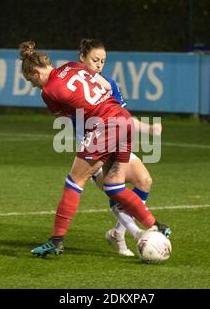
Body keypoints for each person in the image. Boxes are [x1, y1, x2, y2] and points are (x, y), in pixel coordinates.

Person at [19, 41, 171, 257]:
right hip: (124, 121)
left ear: (35, 71)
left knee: (74, 181)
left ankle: (56, 241)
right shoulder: (72, 66)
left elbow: (65, 118)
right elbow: (106, 86)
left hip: (104, 127)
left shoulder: (48, 91)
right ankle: (157, 225)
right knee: (113, 186)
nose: (33, 84)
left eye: (30, 79)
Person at [76, 38, 165, 257]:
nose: (99, 65)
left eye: (103, 61)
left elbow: (124, 117)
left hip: (116, 142)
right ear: (82, 58)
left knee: (145, 181)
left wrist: (149, 129)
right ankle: (135, 233)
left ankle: (117, 232)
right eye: (95, 60)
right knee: (115, 192)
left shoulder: (110, 85)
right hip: (94, 148)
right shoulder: (75, 87)